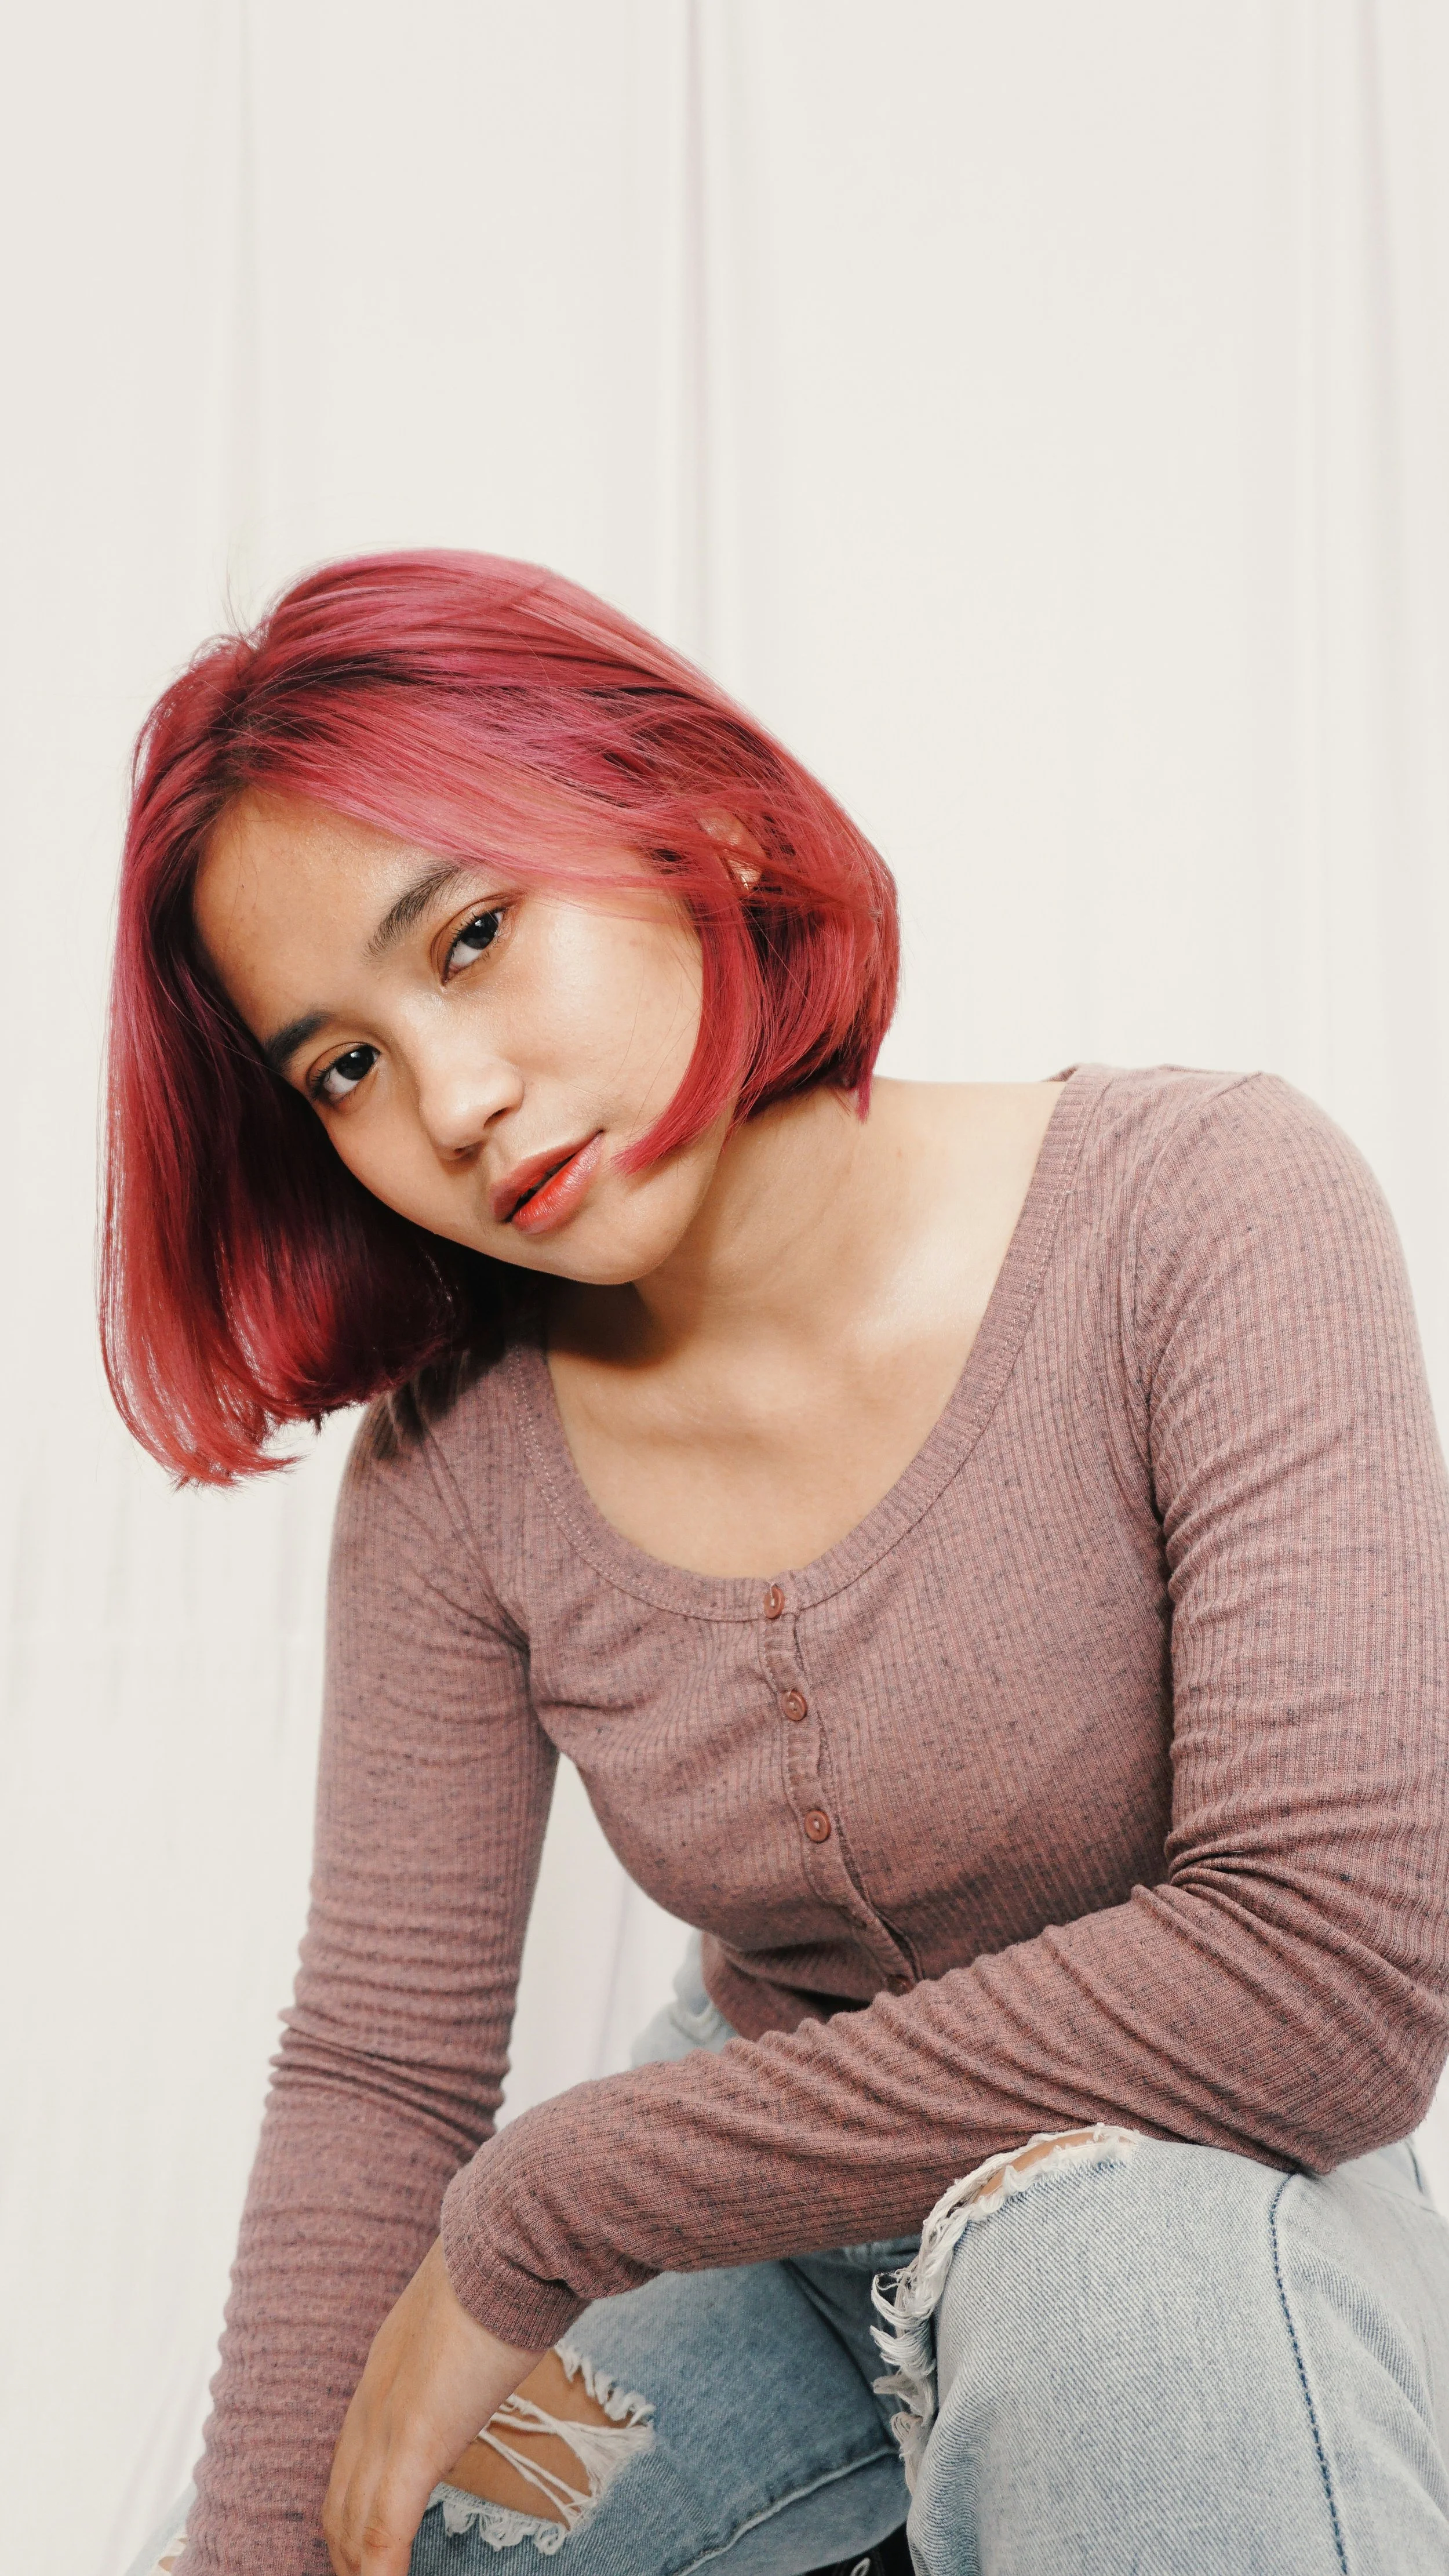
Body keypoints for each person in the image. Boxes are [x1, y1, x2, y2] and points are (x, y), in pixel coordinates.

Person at [105, 551, 1449, 2576]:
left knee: (1107, 2296)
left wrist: (561, 2199)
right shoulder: (455, 1467)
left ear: (700, 820)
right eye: (348, 1068)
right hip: (775, 2234)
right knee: (408, 2525)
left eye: (471, 935)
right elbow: (380, 2072)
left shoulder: (1205, 1214)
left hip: (1186, 2186)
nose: (453, 1103)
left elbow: (1324, 1970)